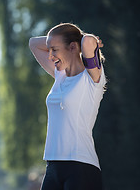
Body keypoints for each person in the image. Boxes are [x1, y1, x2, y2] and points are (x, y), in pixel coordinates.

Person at [29, 23, 106, 190]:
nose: (50, 56)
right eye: (49, 50)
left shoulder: (92, 77)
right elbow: (33, 43)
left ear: (72, 47)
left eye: (54, 50)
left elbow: (87, 42)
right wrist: (57, 42)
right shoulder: (60, 76)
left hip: (81, 165)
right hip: (53, 165)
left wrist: (78, 38)